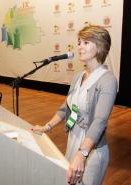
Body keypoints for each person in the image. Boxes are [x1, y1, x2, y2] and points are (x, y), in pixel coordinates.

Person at [31, 25, 117, 185]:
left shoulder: (108, 80)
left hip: (91, 150)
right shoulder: (78, 76)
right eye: (79, 42)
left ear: (100, 46)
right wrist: (46, 127)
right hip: (73, 140)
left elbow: (100, 120)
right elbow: (66, 108)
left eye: (85, 42)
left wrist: (82, 154)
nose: (79, 47)